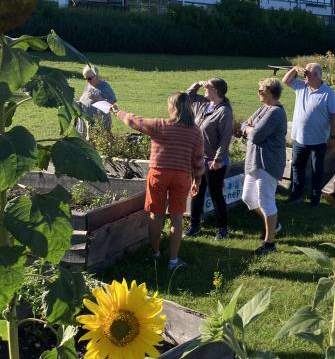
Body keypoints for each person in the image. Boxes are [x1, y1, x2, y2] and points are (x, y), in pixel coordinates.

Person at [114, 93, 203, 270]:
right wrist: (197, 180)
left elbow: (135, 121)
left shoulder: (160, 125)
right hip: (182, 176)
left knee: (156, 214)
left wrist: (117, 112)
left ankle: (155, 253)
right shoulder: (195, 131)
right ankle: (173, 261)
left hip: (159, 174)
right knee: (177, 218)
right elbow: (198, 159)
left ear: (173, 108)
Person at [242, 78, 288, 255]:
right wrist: (249, 128)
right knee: (248, 198)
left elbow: (256, 135)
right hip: (254, 161)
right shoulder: (264, 108)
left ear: (270, 92)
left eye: (261, 90)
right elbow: (245, 125)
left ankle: (269, 244)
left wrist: (250, 130)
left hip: (268, 163)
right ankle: (274, 225)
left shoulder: (275, 112)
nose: (258, 93)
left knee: (266, 201)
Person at [283, 63, 335, 206]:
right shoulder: (302, 86)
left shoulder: (328, 93)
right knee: (297, 166)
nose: (304, 75)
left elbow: (334, 116)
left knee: (317, 170)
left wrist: (332, 136)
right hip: (300, 138)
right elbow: (286, 81)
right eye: (304, 73)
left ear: (317, 76)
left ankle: (315, 198)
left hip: (318, 140)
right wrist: (295, 69)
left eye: (307, 73)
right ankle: (296, 195)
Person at [184, 78, 233, 240]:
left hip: (214, 162)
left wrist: (218, 159)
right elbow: (186, 97)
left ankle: (223, 229)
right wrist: (197, 84)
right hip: (199, 159)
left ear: (217, 91)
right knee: (196, 192)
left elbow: (225, 138)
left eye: (208, 86)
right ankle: (194, 225)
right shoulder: (203, 104)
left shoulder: (224, 111)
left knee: (215, 194)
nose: (206, 87)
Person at [76, 65, 117, 135]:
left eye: (89, 78)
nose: (87, 81)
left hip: (99, 124)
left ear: (96, 76)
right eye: (85, 78)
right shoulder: (88, 86)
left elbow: (111, 106)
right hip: (85, 124)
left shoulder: (104, 87)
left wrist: (97, 99)